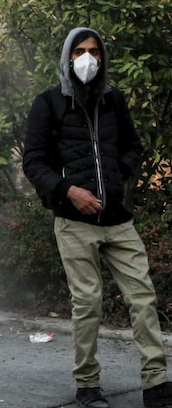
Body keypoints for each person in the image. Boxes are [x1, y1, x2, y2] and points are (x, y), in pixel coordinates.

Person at [23, 27, 172, 408]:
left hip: (118, 220)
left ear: (103, 57)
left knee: (142, 296)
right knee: (88, 302)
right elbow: (34, 163)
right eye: (79, 51)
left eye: (94, 51)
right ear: (67, 57)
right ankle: (87, 386)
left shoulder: (113, 100)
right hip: (74, 224)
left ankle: (156, 383)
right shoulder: (49, 103)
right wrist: (68, 190)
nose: (87, 58)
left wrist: (116, 176)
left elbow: (132, 146)